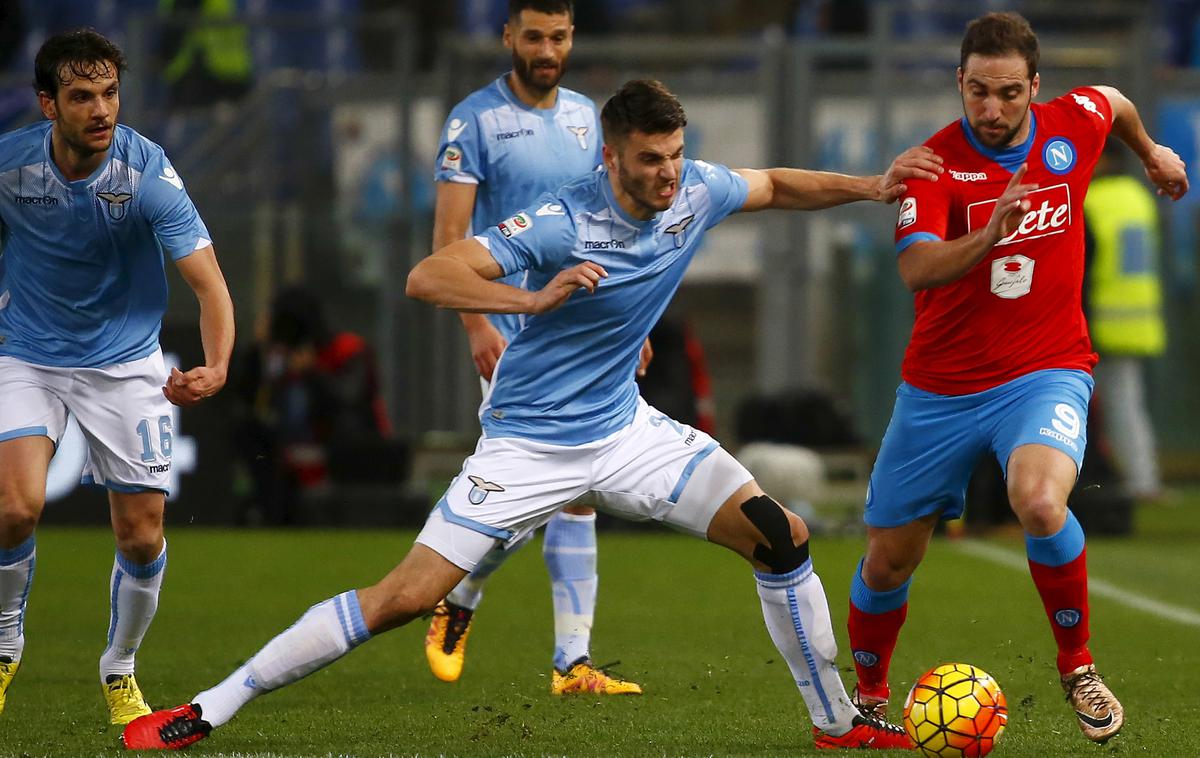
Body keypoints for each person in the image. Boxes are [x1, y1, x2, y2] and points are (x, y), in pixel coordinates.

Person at [122, 78, 942, 752]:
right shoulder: (560, 222)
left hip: (627, 433)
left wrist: (870, 187)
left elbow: (772, 185)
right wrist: (529, 298)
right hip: (528, 446)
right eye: (651, 161)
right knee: (404, 598)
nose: (669, 174)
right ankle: (207, 708)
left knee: (781, 534)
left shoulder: (695, 189)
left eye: (676, 156)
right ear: (611, 159)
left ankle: (837, 722)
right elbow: (427, 276)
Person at [845, 12, 1187, 746]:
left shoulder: (1073, 124)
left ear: (1035, 86)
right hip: (940, 388)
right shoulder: (932, 166)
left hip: (1046, 369)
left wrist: (1153, 150)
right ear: (958, 85)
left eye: (1007, 93)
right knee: (888, 558)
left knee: (1037, 501)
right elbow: (917, 267)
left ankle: (1078, 665)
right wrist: (991, 231)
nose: (992, 110)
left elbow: (1117, 99)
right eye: (977, 93)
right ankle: (870, 694)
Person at [0, 29, 234, 724]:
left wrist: (216, 366)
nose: (101, 109)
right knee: (14, 508)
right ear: (48, 105)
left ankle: (120, 668)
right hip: (28, 352)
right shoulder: (10, 168)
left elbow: (211, 286)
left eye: (109, 93)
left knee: (141, 535)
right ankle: (5, 642)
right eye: (81, 96)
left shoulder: (147, 176)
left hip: (126, 361)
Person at [425, 0, 642, 695]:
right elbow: (450, 240)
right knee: (520, 501)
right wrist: (476, 325)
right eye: (534, 36)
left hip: (583, 331)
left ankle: (571, 664)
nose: (546, 49)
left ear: (572, 38)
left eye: (558, 36)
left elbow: (611, 225)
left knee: (580, 494)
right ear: (508, 37)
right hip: (512, 333)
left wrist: (626, 327)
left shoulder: (587, 118)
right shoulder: (474, 121)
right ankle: (459, 597)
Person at [232, 286, 392, 525]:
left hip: (353, 447)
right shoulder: (279, 359)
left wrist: (312, 372)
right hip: (295, 448)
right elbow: (250, 398)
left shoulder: (347, 349)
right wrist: (257, 350)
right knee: (249, 430)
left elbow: (350, 398)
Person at [1084, 145, 1166, 501]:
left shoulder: (1091, 200)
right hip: (1139, 315)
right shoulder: (1138, 198)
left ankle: (1136, 482)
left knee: (1101, 403)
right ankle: (1142, 477)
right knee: (1127, 401)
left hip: (1099, 316)